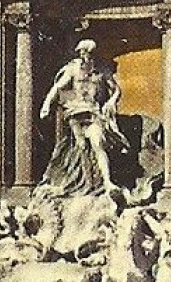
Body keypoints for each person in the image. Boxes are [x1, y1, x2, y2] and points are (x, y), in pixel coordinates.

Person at [39, 40, 126, 195]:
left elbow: (116, 89)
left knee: (97, 142)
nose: (86, 56)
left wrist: (111, 101)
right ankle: (88, 182)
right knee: (82, 146)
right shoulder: (72, 69)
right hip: (75, 112)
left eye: (90, 53)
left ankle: (107, 182)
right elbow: (58, 86)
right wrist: (46, 105)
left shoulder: (102, 70)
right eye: (84, 52)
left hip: (94, 112)